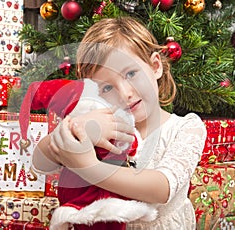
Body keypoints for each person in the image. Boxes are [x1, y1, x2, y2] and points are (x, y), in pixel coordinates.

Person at [30, 16, 207, 230]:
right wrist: (74, 130)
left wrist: (88, 167)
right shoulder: (102, 123)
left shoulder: (186, 128)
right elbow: (40, 163)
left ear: (155, 66)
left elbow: (162, 188)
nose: (125, 94)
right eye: (106, 88)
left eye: (131, 74)